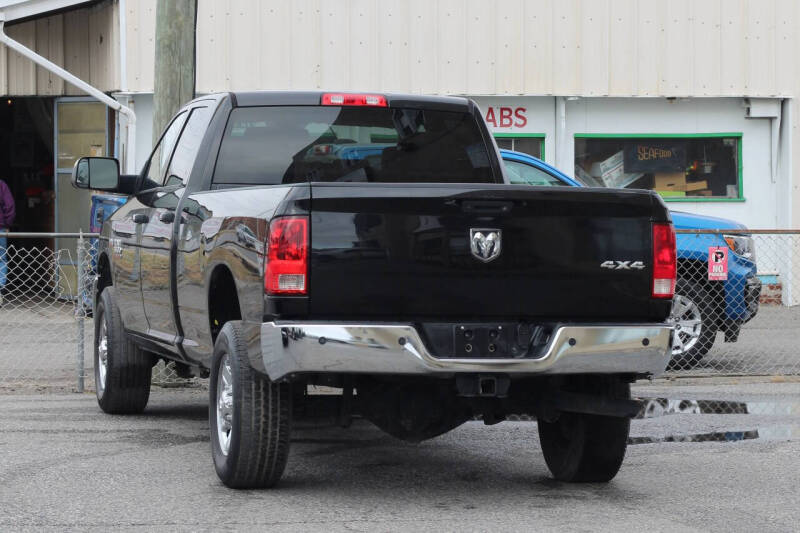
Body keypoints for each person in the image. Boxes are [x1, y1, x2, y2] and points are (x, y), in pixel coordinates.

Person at [0, 178, 15, 306]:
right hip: (0, 227)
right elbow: (9, 205)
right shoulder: (1, 185)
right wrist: (7, 223)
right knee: (0, 258)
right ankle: (0, 289)